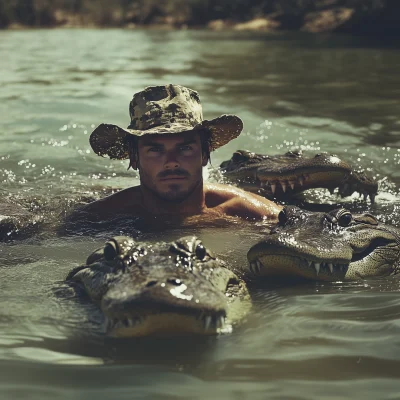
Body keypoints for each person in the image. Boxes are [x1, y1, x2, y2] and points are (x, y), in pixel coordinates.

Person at [79, 84, 281, 224]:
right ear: (134, 158)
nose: (172, 163)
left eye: (185, 148)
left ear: (204, 154)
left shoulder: (252, 213)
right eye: (155, 150)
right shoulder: (99, 216)